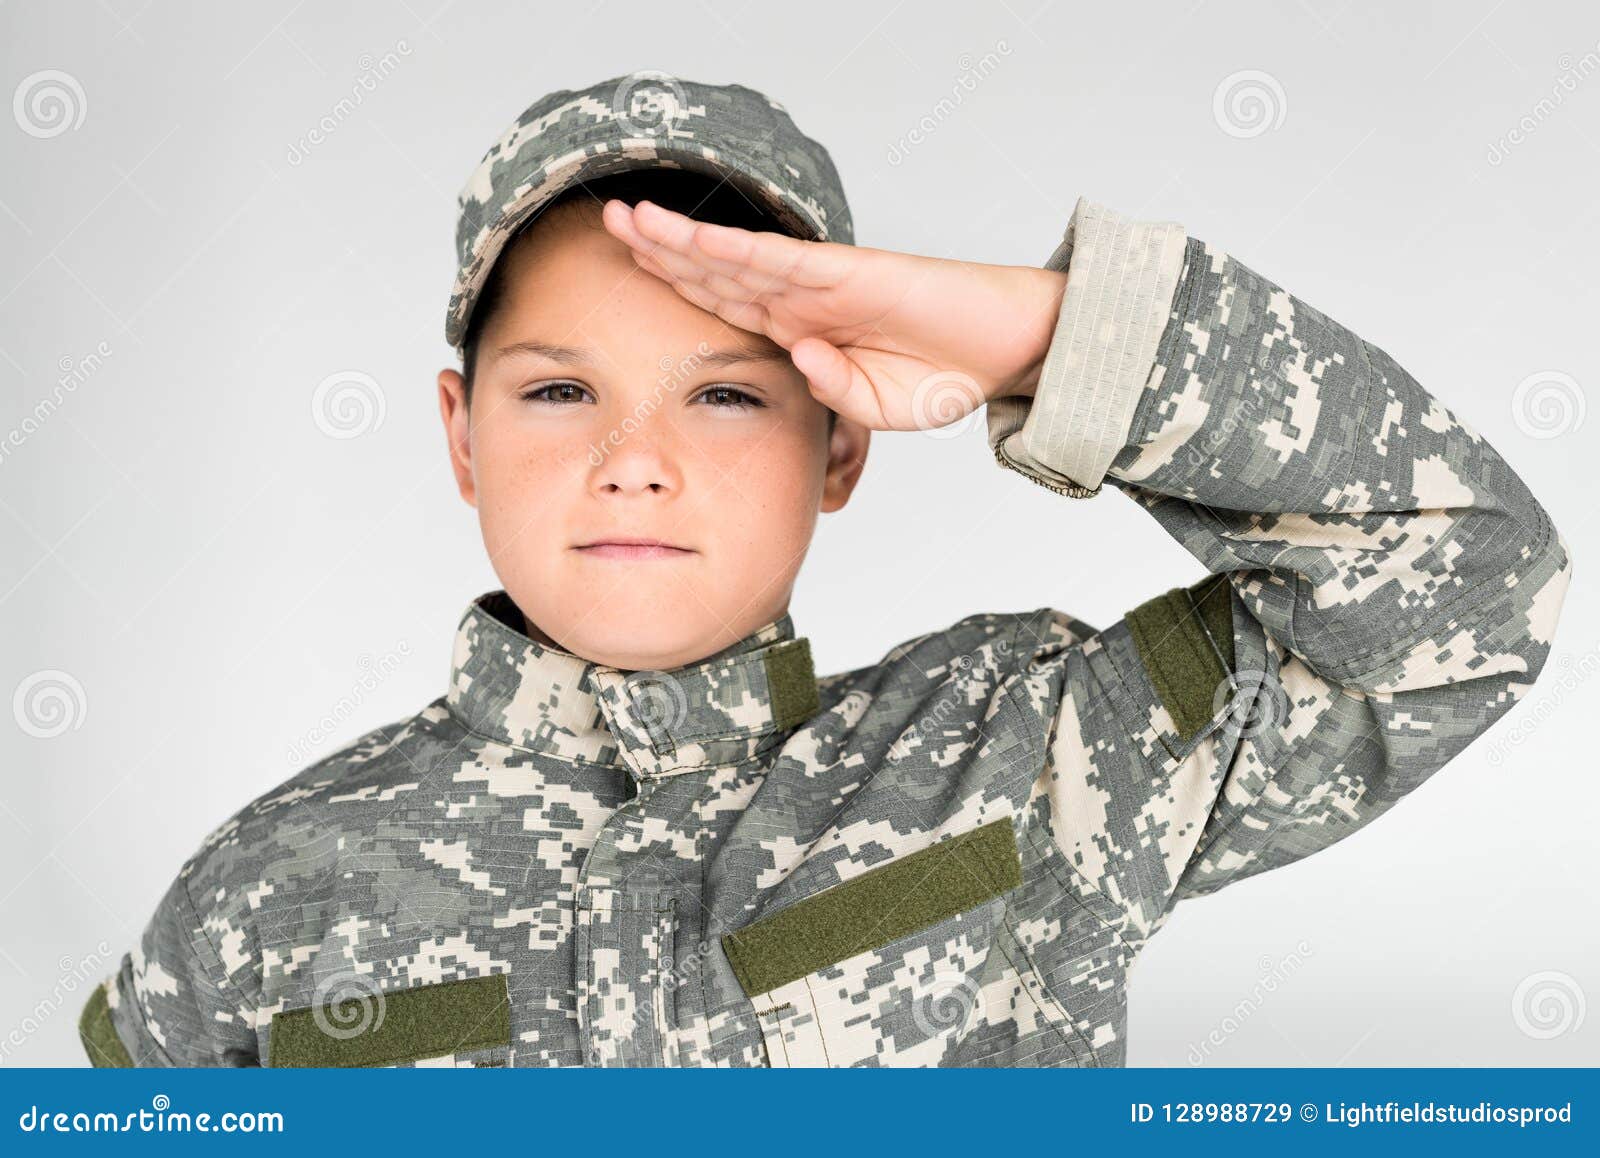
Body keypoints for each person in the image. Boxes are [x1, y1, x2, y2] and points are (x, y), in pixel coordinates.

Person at [78, 71, 1572, 1068]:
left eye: (727, 392)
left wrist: (1040, 336)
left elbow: (1469, 582)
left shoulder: (1027, 759)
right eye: (557, 389)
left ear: (840, 445)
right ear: (461, 435)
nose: (635, 456)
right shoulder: (263, 895)